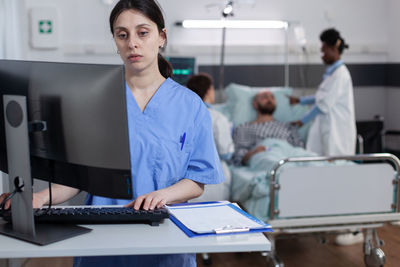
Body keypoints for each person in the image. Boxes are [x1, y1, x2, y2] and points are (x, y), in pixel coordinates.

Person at [0, 0, 224, 266]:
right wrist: (38, 197)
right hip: (102, 240)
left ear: (161, 37)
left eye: (143, 32)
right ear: (115, 42)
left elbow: (197, 181)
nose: (132, 43)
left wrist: (162, 195)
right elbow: (78, 177)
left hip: (165, 237)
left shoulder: (190, 106)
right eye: (122, 35)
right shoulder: (91, 101)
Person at [289, 28, 356, 157]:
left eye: (324, 50)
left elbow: (323, 104)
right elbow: (321, 97)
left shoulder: (340, 75)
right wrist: (300, 101)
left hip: (337, 133)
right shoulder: (332, 74)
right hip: (327, 128)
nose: (322, 54)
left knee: (336, 167)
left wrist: (302, 120)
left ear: (333, 49)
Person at [186, 73, 234, 201]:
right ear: (208, 91)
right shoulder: (218, 118)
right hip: (214, 180)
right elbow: (226, 153)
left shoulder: (183, 116)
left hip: (186, 182)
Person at [233, 90, 304, 165]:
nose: (269, 100)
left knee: (313, 161)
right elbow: (238, 157)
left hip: (290, 157)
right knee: (274, 164)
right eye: (265, 97)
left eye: (272, 97)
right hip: (265, 157)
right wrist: (254, 152)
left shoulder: (288, 127)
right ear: (255, 104)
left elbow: (300, 150)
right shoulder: (244, 128)